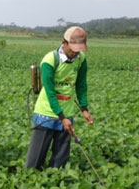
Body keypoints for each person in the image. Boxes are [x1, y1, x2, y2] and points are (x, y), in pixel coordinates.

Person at [25, 26, 94, 170]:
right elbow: (50, 92)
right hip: (46, 113)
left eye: (79, 49)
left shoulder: (81, 59)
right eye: (73, 48)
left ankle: (55, 182)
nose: (76, 53)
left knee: (60, 162)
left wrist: (84, 109)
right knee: (34, 162)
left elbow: (81, 85)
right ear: (64, 42)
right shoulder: (50, 60)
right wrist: (61, 117)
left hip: (67, 113)